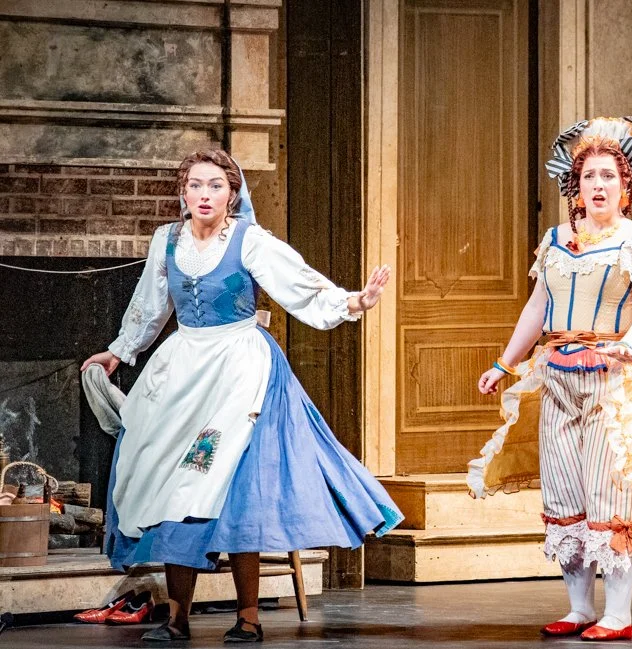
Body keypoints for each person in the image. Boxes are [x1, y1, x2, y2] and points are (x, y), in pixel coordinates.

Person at [81, 150, 403, 642]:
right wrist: (119, 352)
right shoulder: (167, 240)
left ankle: (248, 615)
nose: (204, 194)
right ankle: (177, 617)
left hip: (240, 367)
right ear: (183, 192)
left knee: (233, 489)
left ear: (232, 193)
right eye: (195, 185)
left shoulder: (249, 239)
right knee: (173, 486)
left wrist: (354, 301)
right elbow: (149, 306)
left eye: (215, 185)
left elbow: (300, 286)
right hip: (184, 367)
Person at [468, 117, 632, 641]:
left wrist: (629, 346)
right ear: (575, 187)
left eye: (609, 176)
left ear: (627, 186)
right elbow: (537, 308)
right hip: (558, 376)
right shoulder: (556, 240)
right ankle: (579, 608)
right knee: (563, 493)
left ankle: (618, 614)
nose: (598, 185)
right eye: (589, 177)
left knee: (611, 495)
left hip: (611, 380)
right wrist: (504, 363)